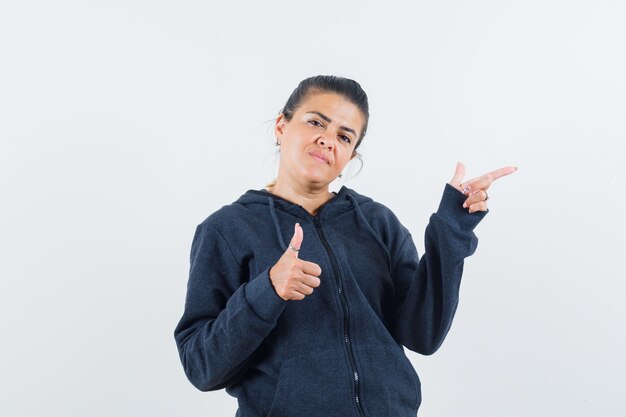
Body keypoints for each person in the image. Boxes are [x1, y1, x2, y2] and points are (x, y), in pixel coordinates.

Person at [174, 75, 517, 417]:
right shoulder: (228, 230)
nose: (327, 140)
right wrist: (268, 290)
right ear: (282, 126)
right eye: (315, 123)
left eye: (344, 136)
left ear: (351, 156)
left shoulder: (376, 222)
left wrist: (450, 231)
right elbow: (201, 366)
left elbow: (422, 334)